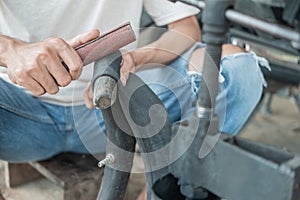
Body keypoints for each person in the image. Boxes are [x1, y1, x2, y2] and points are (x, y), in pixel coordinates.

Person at [0, 0, 267, 199]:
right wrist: (12, 50)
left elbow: (186, 27)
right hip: (19, 117)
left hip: (114, 110)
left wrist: (136, 59)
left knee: (236, 68)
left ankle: (166, 187)